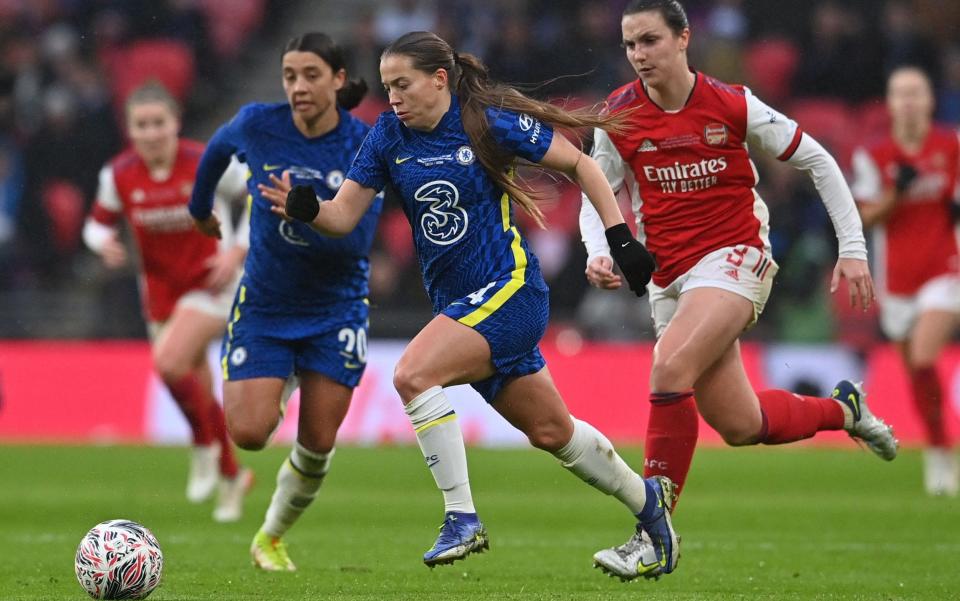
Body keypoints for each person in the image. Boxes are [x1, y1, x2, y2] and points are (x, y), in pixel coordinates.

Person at [264, 30, 679, 580]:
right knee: (555, 433)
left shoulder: (485, 120)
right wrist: (306, 207)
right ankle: (653, 513)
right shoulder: (389, 135)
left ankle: (462, 517)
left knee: (412, 374)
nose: (393, 98)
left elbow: (582, 165)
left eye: (403, 85)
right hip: (464, 307)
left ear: (440, 79)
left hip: (511, 290)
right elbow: (341, 217)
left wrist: (620, 239)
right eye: (388, 87)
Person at [578, 0, 900, 577]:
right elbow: (594, 190)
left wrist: (852, 249)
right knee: (740, 423)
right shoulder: (619, 115)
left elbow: (820, 161)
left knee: (667, 368)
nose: (638, 55)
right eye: (629, 45)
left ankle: (653, 535)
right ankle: (845, 410)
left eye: (649, 40)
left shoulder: (731, 103)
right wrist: (599, 248)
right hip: (668, 277)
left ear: (683, 39)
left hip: (735, 259)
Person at [188, 33, 382, 572]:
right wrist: (200, 209)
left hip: (336, 305)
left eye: (311, 75)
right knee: (248, 435)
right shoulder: (258, 123)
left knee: (317, 442)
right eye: (290, 76)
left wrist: (306, 210)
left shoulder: (365, 145)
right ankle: (280, 378)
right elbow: (216, 150)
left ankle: (270, 537)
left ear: (338, 79)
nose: (298, 87)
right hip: (267, 305)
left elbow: (357, 238)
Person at [82, 81, 252, 522]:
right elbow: (96, 225)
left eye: (159, 123)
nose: (152, 132)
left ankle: (200, 443)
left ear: (175, 124)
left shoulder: (207, 162)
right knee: (195, 385)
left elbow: (258, 197)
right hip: (159, 292)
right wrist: (103, 244)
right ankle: (232, 477)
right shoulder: (117, 174)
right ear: (130, 130)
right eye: (142, 125)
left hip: (213, 283)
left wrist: (237, 249)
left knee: (170, 363)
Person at [852, 66, 960, 496]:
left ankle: (940, 454)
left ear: (931, 100)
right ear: (891, 103)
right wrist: (897, 193)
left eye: (917, 92)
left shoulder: (950, 146)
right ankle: (937, 449)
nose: (910, 101)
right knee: (918, 376)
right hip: (897, 280)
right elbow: (865, 215)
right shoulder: (874, 157)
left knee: (922, 355)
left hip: (944, 269)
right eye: (901, 94)